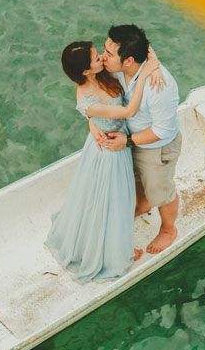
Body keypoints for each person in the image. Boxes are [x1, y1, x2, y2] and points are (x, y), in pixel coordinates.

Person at [45, 40, 162, 282]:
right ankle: (113, 252)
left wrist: (155, 65)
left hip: (111, 140)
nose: (102, 58)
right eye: (96, 57)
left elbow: (142, 48)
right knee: (113, 199)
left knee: (109, 198)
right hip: (110, 151)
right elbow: (128, 111)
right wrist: (145, 76)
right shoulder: (87, 99)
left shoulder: (102, 74)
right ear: (86, 71)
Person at [97, 25, 182, 254]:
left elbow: (162, 131)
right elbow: (145, 45)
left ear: (128, 60)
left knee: (160, 191)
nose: (103, 55)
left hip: (157, 146)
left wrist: (128, 141)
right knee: (133, 182)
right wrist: (152, 57)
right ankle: (143, 204)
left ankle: (168, 229)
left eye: (110, 53)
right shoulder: (120, 67)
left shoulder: (159, 86)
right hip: (131, 136)